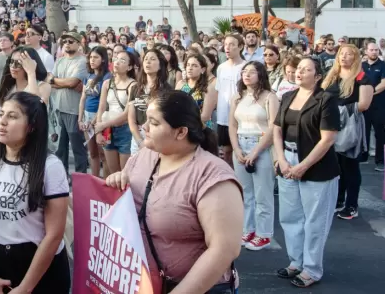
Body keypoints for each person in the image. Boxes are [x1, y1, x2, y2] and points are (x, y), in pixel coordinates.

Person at [106, 91, 243, 293]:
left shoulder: (213, 176)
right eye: (146, 119)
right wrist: (117, 182)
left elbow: (224, 250)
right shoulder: (143, 156)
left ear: (180, 132)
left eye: (153, 123)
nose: (144, 127)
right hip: (141, 283)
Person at [0, 92, 70, 293]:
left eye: (13, 116)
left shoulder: (50, 166)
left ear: (32, 126)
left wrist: (25, 288)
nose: (2, 122)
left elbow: (54, 235)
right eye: (1, 114)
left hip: (40, 269)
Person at [273, 57, 340, 288]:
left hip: (316, 165)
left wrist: (303, 166)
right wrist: (281, 159)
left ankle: (311, 269)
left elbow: (328, 139)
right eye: (298, 68)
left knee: (315, 221)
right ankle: (296, 262)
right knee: (290, 217)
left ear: (318, 76)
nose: (299, 72)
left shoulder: (326, 99)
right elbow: (277, 130)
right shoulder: (288, 97)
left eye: (306, 69)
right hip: (287, 160)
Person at [229, 61, 279, 251]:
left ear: (261, 75)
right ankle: (247, 229)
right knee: (245, 192)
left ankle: (264, 233)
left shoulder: (270, 97)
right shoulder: (237, 97)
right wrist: (236, 149)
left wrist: (256, 151)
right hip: (241, 144)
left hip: (262, 145)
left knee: (262, 193)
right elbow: (232, 125)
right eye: (244, 71)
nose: (247, 75)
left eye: (251, 72)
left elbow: (273, 127)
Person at [322, 44, 373, 221]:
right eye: (341, 54)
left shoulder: (362, 78)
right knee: (336, 165)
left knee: (350, 165)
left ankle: (352, 205)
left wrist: (339, 111)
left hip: (350, 125)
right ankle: (338, 199)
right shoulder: (331, 76)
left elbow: (364, 104)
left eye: (348, 54)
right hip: (330, 125)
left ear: (356, 57)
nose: (344, 57)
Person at [49, 32, 89, 174]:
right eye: (64, 41)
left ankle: (81, 178)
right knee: (60, 148)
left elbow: (73, 82)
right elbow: (50, 81)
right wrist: (62, 83)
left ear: (79, 44)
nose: (67, 43)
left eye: (71, 41)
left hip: (74, 110)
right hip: (59, 109)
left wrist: (56, 81)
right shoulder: (60, 61)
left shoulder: (83, 61)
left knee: (78, 148)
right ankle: (62, 176)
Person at [95, 50, 138, 174]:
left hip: (125, 130)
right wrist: (99, 131)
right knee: (113, 171)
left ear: (129, 67)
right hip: (107, 130)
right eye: (116, 59)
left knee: (125, 173)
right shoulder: (107, 83)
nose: (117, 62)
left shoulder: (133, 85)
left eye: (122, 60)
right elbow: (101, 108)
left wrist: (103, 125)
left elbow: (126, 114)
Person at [211, 34, 246, 166]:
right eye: (226, 44)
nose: (227, 48)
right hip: (223, 117)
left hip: (240, 117)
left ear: (240, 47)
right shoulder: (221, 68)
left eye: (232, 44)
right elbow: (218, 91)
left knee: (239, 151)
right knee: (226, 151)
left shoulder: (245, 67)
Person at [77, 46, 111, 178]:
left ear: (103, 59)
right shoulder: (88, 76)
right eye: (91, 57)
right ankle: (94, 180)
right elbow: (83, 98)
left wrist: (93, 121)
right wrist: (80, 119)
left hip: (101, 118)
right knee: (92, 153)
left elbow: (105, 104)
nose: (92, 60)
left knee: (104, 154)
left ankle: (106, 182)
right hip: (87, 116)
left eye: (96, 57)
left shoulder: (107, 77)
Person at [129, 49, 169, 154]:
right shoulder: (135, 88)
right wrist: (139, 141)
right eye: (146, 59)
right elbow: (131, 119)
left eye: (152, 59)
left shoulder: (167, 90)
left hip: (156, 136)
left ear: (160, 65)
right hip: (138, 137)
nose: (148, 62)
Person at [362, 42, 385, 171]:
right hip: (364, 105)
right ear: (366, 51)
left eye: (376, 50)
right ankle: (362, 157)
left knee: (380, 133)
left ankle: (380, 161)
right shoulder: (361, 66)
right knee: (363, 131)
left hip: (379, 105)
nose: (374, 52)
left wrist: (369, 93)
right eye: (371, 50)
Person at [178, 52, 215, 126]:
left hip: (200, 127)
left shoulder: (208, 87)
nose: (190, 68)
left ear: (203, 69)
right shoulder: (180, 84)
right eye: (188, 65)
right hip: (181, 125)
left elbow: (205, 116)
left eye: (194, 66)